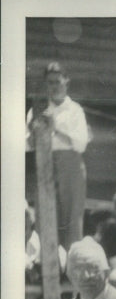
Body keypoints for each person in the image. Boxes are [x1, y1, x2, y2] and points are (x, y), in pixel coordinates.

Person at [26, 62, 89, 248]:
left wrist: (56, 129)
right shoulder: (38, 110)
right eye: (50, 82)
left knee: (71, 219)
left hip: (71, 167)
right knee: (46, 217)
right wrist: (33, 133)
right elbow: (26, 145)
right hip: (45, 164)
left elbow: (81, 143)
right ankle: (47, 268)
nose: (54, 86)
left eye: (57, 81)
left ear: (66, 82)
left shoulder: (75, 110)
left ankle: (71, 269)